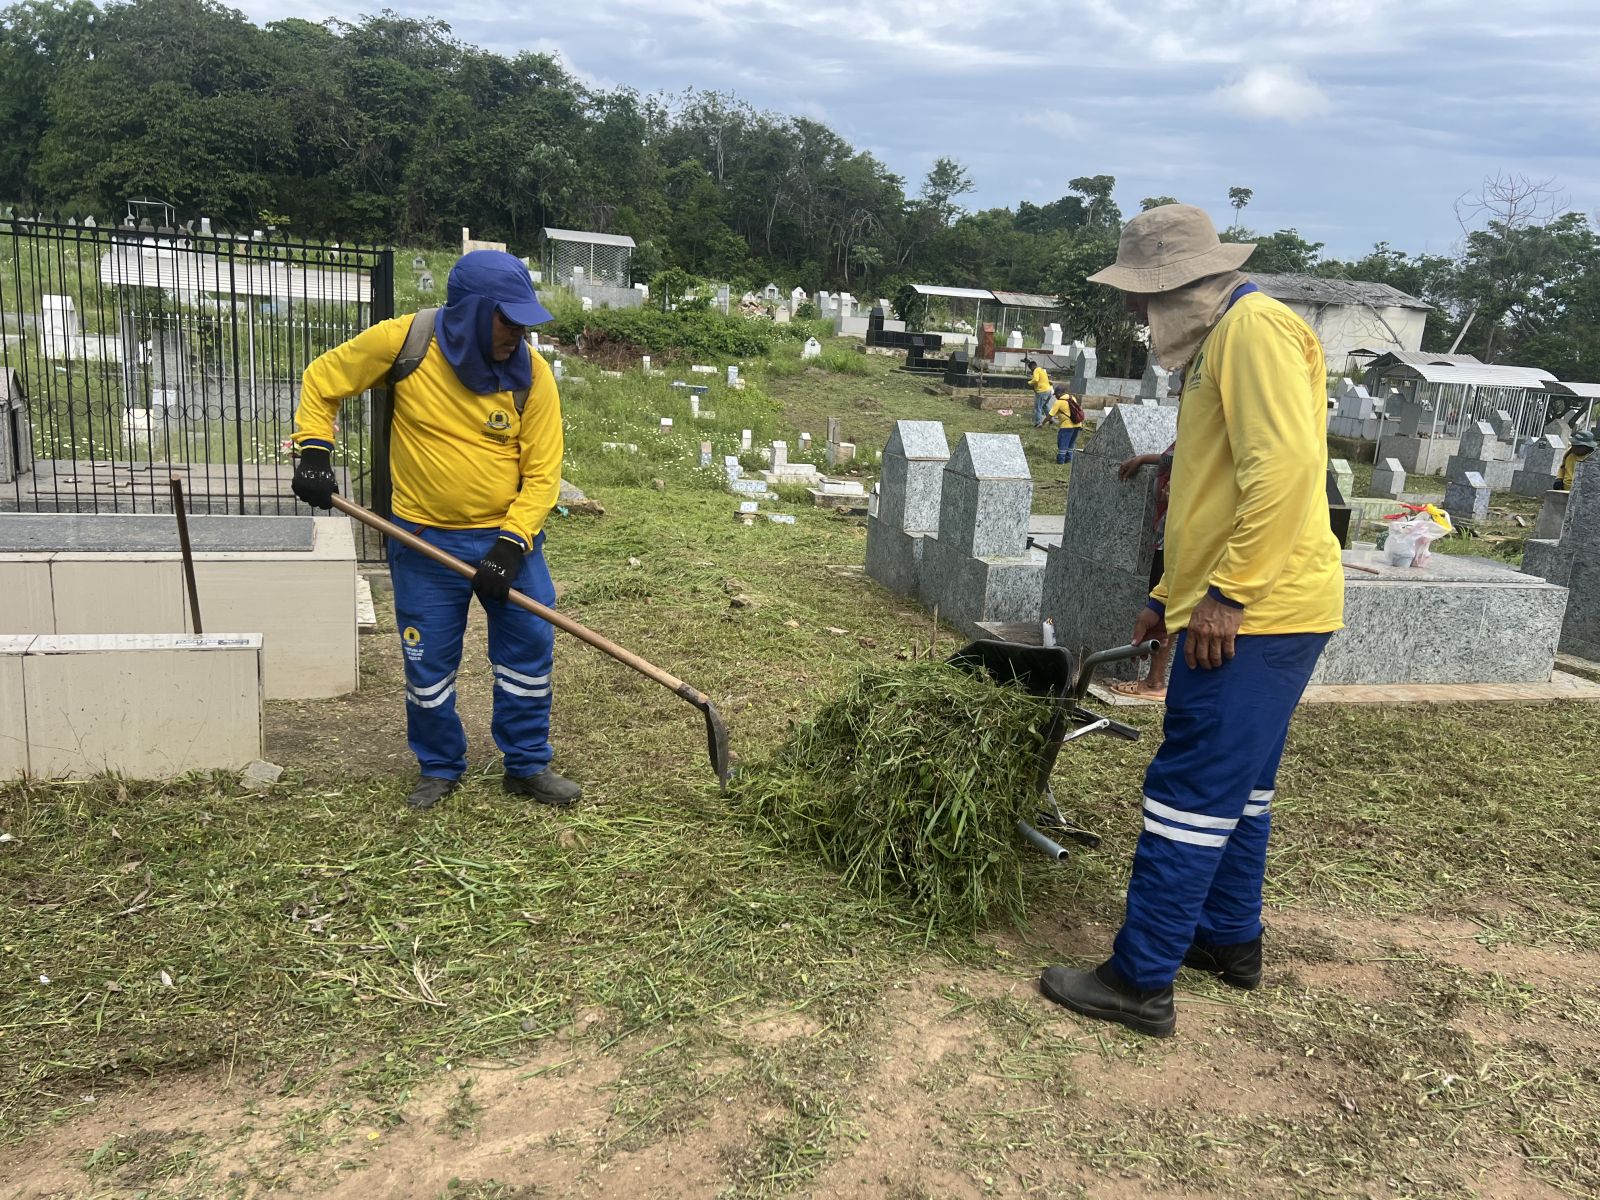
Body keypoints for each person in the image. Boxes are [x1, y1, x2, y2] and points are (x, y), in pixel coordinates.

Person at [1038, 204, 1344, 1037]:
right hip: (1254, 610)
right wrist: (1166, 596)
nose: (1137, 317)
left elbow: (1282, 470)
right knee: (1239, 793)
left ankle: (1139, 982)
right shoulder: (1227, 341)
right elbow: (1216, 481)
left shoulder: (1253, 332)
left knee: (1187, 794)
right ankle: (1227, 941)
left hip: (1259, 616)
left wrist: (1228, 596)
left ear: (1177, 286)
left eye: (1141, 299)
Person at [290, 250, 583, 813]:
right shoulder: (406, 344)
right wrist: (314, 450)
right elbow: (323, 379)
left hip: (507, 540)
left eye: (525, 322)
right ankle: (440, 766)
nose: (519, 333)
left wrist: (511, 543)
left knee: (528, 651)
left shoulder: (533, 375)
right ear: (471, 313)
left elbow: (544, 472)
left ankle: (525, 764)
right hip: (424, 542)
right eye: (508, 319)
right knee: (428, 663)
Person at [1110, 442, 1176, 700]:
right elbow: (1172, 457)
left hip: (1176, 538)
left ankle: (1155, 682)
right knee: (1160, 604)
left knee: (1163, 608)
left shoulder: (1207, 419)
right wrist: (1144, 458)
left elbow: (1178, 458)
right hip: (1171, 532)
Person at [1038, 385, 1085, 463]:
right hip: (1077, 425)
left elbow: (1050, 415)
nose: (1055, 396)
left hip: (1066, 426)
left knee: (1062, 443)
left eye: (1055, 394)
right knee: (1071, 443)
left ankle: (1060, 461)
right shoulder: (1072, 398)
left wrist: (1042, 424)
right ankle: (1069, 460)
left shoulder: (1059, 402)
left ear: (1059, 393)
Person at [1027, 358, 1053, 425]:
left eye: (1031, 369)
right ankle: (1050, 419)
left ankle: (1038, 423)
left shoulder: (1036, 370)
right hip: (1049, 391)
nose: (1031, 371)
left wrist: (1029, 383)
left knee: (1038, 407)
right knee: (1045, 406)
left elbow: (1036, 379)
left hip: (1042, 391)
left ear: (1032, 366)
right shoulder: (1042, 370)